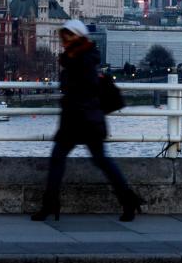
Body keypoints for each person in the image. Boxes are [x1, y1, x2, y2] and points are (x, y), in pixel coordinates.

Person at [31, 19, 143, 222]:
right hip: (82, 119)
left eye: (68, 36)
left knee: (67, 160)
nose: (64, 40)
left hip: (82, 119)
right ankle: (128, 200)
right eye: (63, 37)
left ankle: (51, 205)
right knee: (98, 161)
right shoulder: (78, 57)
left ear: (78, 36)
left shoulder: (81, 59)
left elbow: (83, 88)